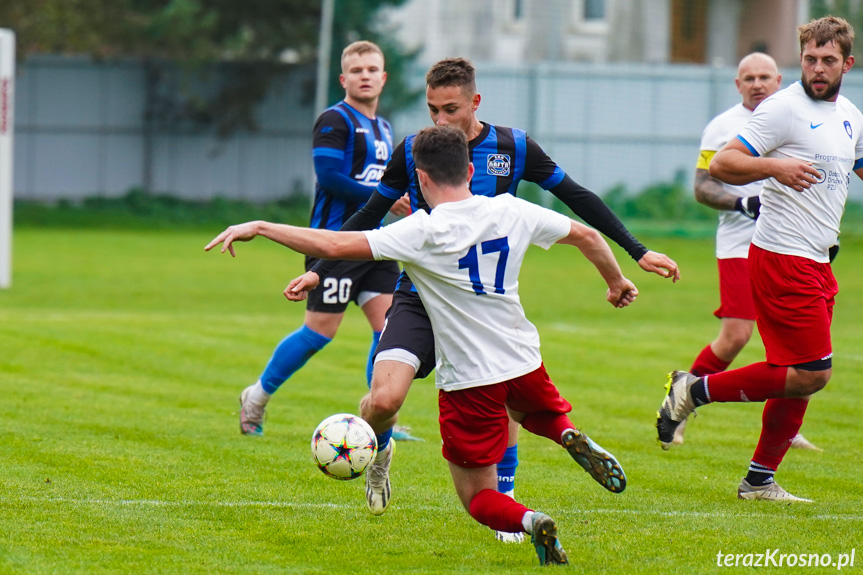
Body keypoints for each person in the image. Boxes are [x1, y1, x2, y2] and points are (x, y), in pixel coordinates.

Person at [206, 125, 636, 566]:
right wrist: (616, 280)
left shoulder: (422, 230)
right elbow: (587, 235)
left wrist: (259, 226)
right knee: (531, 412)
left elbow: (334, 242)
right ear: (470, 169)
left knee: (478, 498)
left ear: (422, 180)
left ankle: (530, 521)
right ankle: (565, 433)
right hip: (525, 361)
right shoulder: (512, 209)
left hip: (470, 379)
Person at [286, 58, 679, 537]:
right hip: (417, 296)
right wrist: (320, 272)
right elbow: (370, 210)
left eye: (450, 109)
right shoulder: (416, 150)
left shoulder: (513, 146)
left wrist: (636, 251)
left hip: (480, 300)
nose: (441, 121)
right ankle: (378, 451)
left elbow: (576, 196)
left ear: (475, 102)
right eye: (433, 110)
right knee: (384, 398)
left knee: (498, 390)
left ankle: (507, 501)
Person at [657, 16, 863, 502]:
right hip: (781, 255)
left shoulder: (850, 114)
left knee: (798, 377)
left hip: (818, 259)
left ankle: (758, 480)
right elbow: (725, 164)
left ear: (846, 64)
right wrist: (776, 166)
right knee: (814, 371)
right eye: (810, 58)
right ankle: (693, 390)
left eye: (827, 61)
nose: (817, 68)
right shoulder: (782, 109)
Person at [237, 40, 418, 441]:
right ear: (344, 78)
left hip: (377, 243)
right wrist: (385, 199)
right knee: (319, 333)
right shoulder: (334, 121)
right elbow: (331, 178)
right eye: (357, 71)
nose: (365, 76)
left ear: (384, 77)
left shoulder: (384, 127)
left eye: (372, 69)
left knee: (386, 330)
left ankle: (379, 420)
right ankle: (256, 397)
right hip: (334, 245)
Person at [675, 52, 820, 452]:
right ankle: (682, 401)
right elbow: (702, 187)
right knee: (737, 334)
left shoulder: (799, 116)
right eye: (748, 78)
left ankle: (784, 430)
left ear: (779, 80)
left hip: (798, 244)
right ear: (738, 85)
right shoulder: (723, 127)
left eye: (764, 77)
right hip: (741, 244)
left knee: (795, 344)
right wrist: (742, 204)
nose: (757, 83)